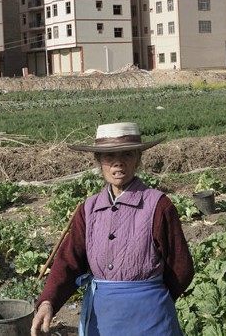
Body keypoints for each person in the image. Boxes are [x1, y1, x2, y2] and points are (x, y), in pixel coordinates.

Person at [31, 122, 194, 336]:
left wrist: (152, 298)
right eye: (109, 157)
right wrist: (47, 302)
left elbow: (181, 268)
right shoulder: (88, 209)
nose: (118, 163)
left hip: (151, 320)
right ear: (99, 161)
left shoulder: (158, 206)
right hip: (103, 320)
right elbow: (69, 262)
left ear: (138, 159)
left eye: (127, 155)